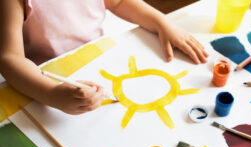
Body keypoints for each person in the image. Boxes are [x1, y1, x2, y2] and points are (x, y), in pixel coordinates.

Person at [0, 0, 208, 115]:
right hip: (46, 79)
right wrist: (51, 94)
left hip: (97, 61)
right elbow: (9, 58)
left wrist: (162, 23)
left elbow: (118, 3)